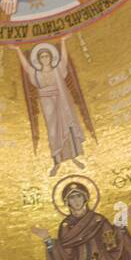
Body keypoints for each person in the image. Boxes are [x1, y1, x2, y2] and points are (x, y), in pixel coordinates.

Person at [16, 40, 90, 176]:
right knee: (53, 132)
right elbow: (26, 67)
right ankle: (56, 162)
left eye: (47, 56)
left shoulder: (58, 69)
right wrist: (17, 50)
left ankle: (74, 157)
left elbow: (64, 59)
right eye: (42, 57)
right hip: (47, 104)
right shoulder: (36, 73)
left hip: (61, 100)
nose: (45, 59)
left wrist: (63, 41)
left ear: (51, 57)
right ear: (38, 60)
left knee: (68, 128)